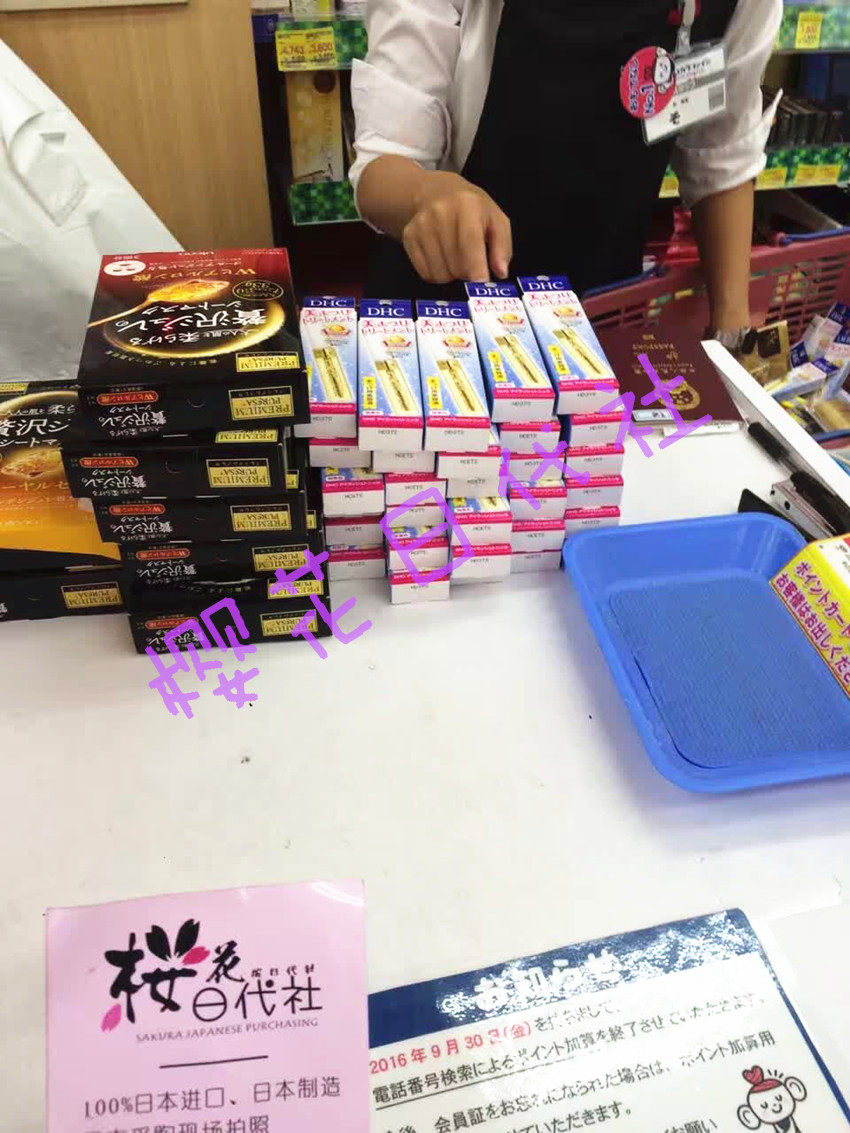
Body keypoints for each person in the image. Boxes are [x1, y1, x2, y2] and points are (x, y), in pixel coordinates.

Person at [350, 0, 782, 346]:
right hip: (441, 323)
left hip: (604, 316)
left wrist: (732, 335)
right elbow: (383, 165)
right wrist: (425, 194)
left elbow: (721, 154)